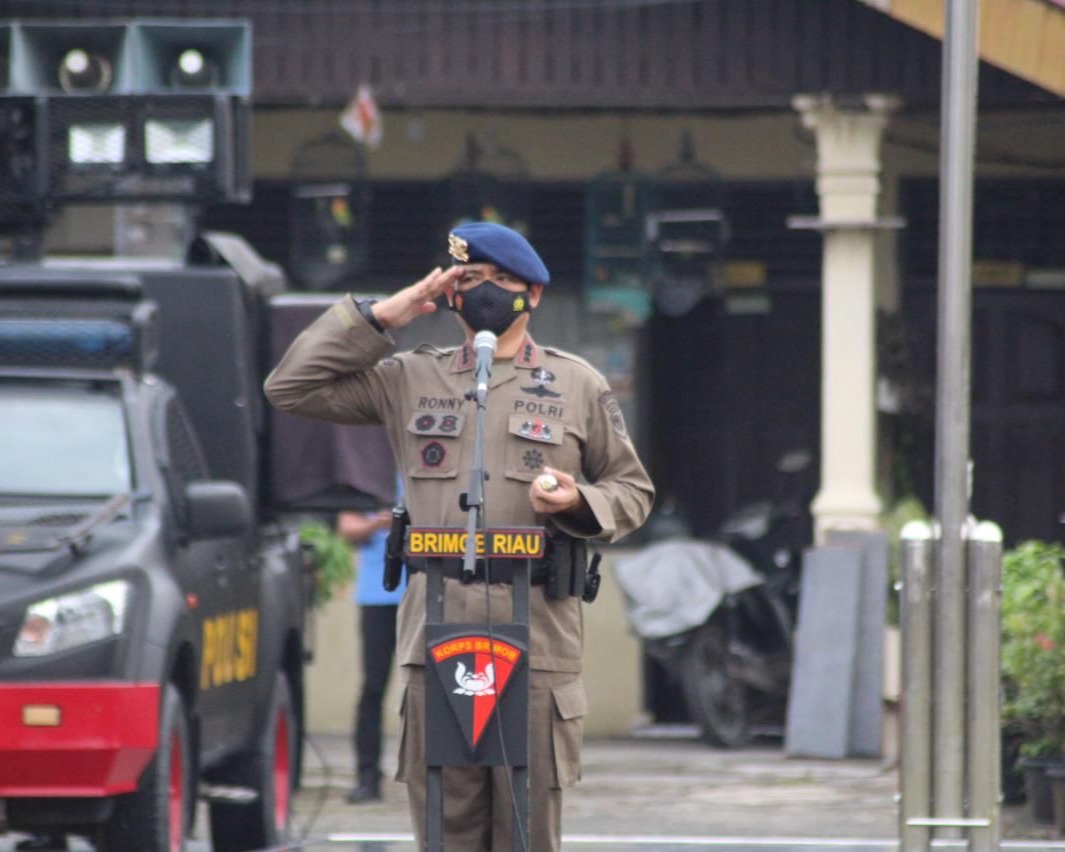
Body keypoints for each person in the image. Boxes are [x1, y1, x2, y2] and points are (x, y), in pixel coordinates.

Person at [264, 221, 654, 851]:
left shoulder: (577, 383)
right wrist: (385, 316)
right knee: (446, 827)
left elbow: (632, 490)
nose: (487, 294)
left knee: (526, 832)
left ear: (534, 294)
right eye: (471, 281)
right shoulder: (409, 378)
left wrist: (577, 500)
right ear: (447, 294)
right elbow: (290, 386)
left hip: (539, 633)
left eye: (503, 282)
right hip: (438, 631)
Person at [336, 478, 406, 804]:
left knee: (438, 688)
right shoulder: (369, 476)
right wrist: (379, 523)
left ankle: (440, 774)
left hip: (426, 593)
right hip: (378, 596)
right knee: (373, 687)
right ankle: (367, 776)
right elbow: (347, 528)